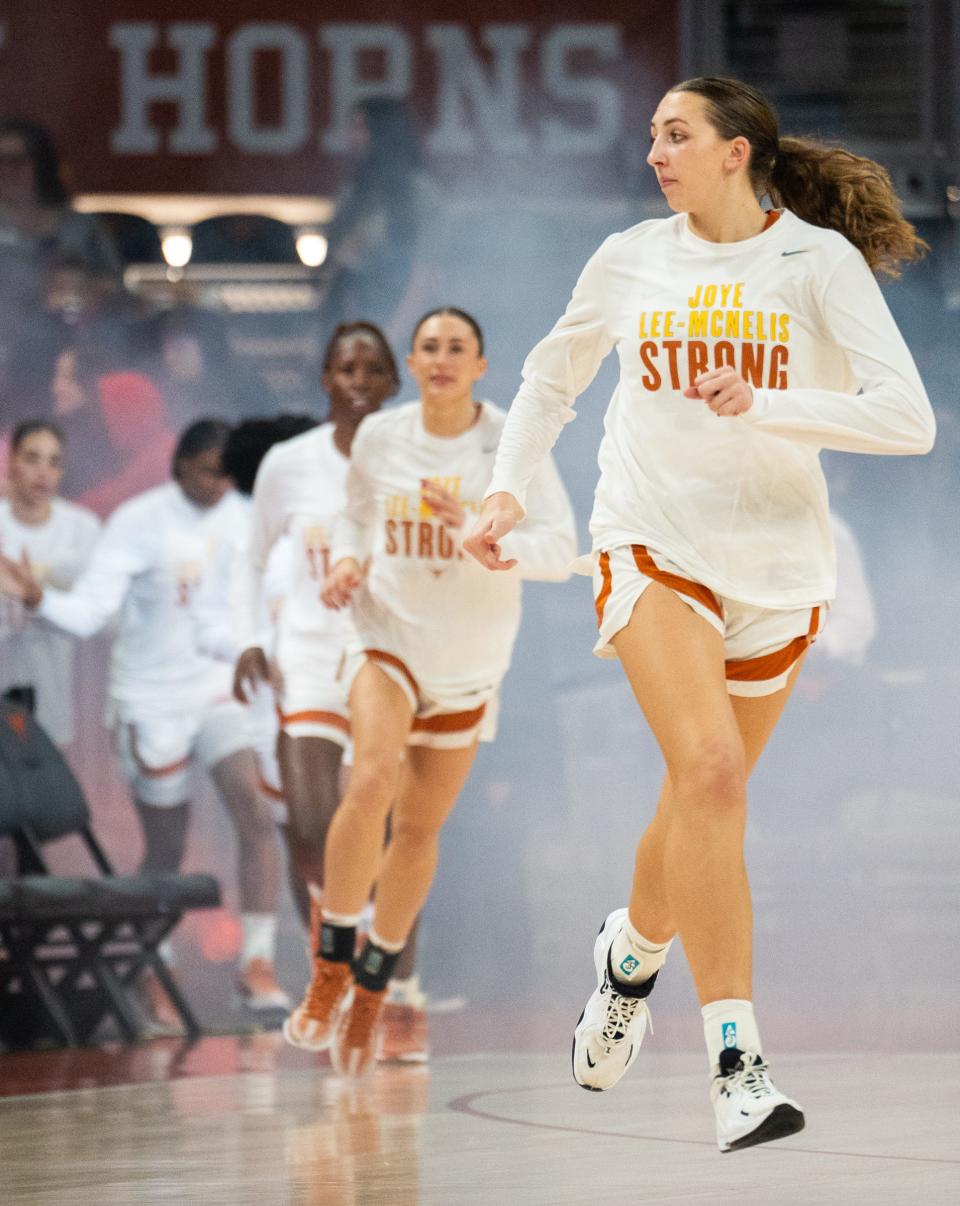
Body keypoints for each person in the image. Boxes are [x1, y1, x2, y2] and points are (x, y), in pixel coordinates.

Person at [463, 76, 935, 1153]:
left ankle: (627, 960)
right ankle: (738, 1068)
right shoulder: (632, 254)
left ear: (737, 152)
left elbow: (907, 421)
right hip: (649, 541)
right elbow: (549, 379)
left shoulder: (814, 261)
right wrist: (504, 488)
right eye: (650, 137)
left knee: (697, 800)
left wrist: (765, 400)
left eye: (677, 135)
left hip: (778, 564)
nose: (655, 153)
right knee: (712, 772)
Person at [282, 307, 576, 1076]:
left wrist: (483, 533)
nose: (442, 358)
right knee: (370, 776)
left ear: (482, 365)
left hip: (470, 657)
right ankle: (331, 967)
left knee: (417, 831)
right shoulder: (382, 436)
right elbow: (353, 521)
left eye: (458, 348)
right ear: (411, 362)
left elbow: (561, 551)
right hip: (388, 635)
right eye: (429, 347)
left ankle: (378, 986)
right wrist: (348, 565)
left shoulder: (511, 444)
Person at [0, 419, 288, 1018]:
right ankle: (154, 967)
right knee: (166, 845)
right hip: (150, 699)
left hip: (217, 690)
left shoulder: (244, 516)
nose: (217, 483)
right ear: (179, 463)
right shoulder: (138, 521)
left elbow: (267, 602)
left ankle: (257, 963)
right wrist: (37, 599)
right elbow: (89, 613)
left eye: (227, 471)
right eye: (207, 469)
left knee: (255, 813)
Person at [232, 325, 437, 1061]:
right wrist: (251, 635)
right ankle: (338, 958)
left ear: (393, 382)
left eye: (374, 368)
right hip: (311, 656)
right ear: (325, 376)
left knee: (389, 832)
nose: (359, 378)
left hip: (388, 651)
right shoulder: (288, 464)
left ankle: (402, 994)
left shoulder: (415, 455)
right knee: (316, 830)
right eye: (346, 366)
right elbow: (250, 559)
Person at [0, 421, 100, 747]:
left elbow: (101, 615)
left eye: (54, 462)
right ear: (11, 461)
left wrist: (40, 597)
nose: (43, 472)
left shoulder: (83, 528)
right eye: (32, 458)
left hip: (56, 684)